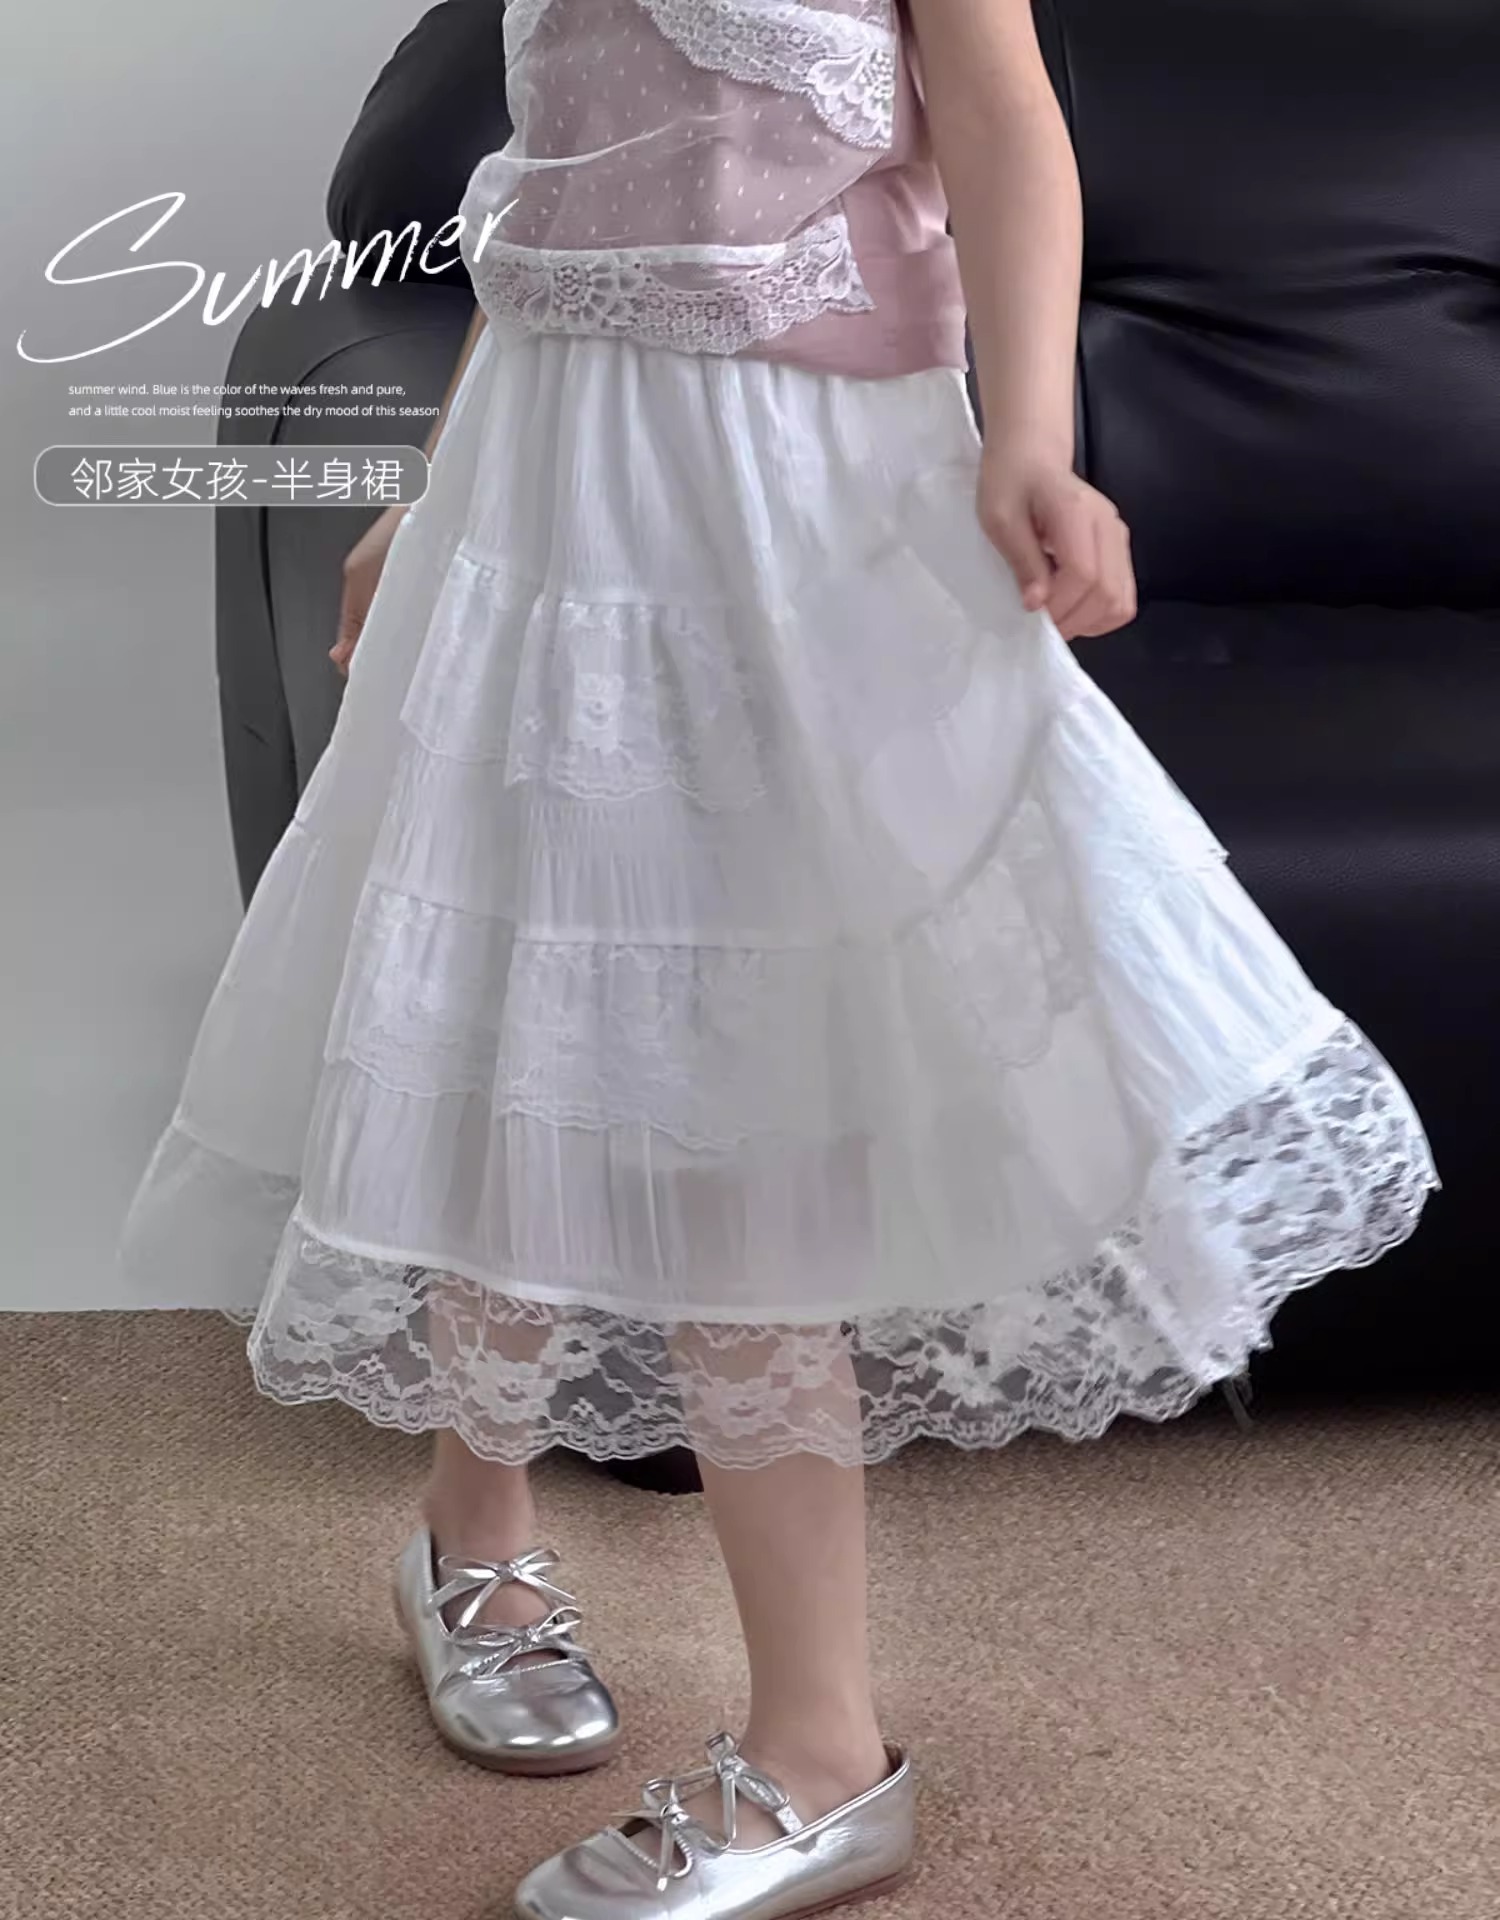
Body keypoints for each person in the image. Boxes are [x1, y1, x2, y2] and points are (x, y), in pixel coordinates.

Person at [119, 2, 1437, 1915]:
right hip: (542, 480)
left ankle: (823, 1753)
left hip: (797, 499)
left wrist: (1034, 437)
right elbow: (556, 189)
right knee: (509, 1008)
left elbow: (1003, 118)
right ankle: (471, 1532)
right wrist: (437, 481)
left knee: (748, 1072)